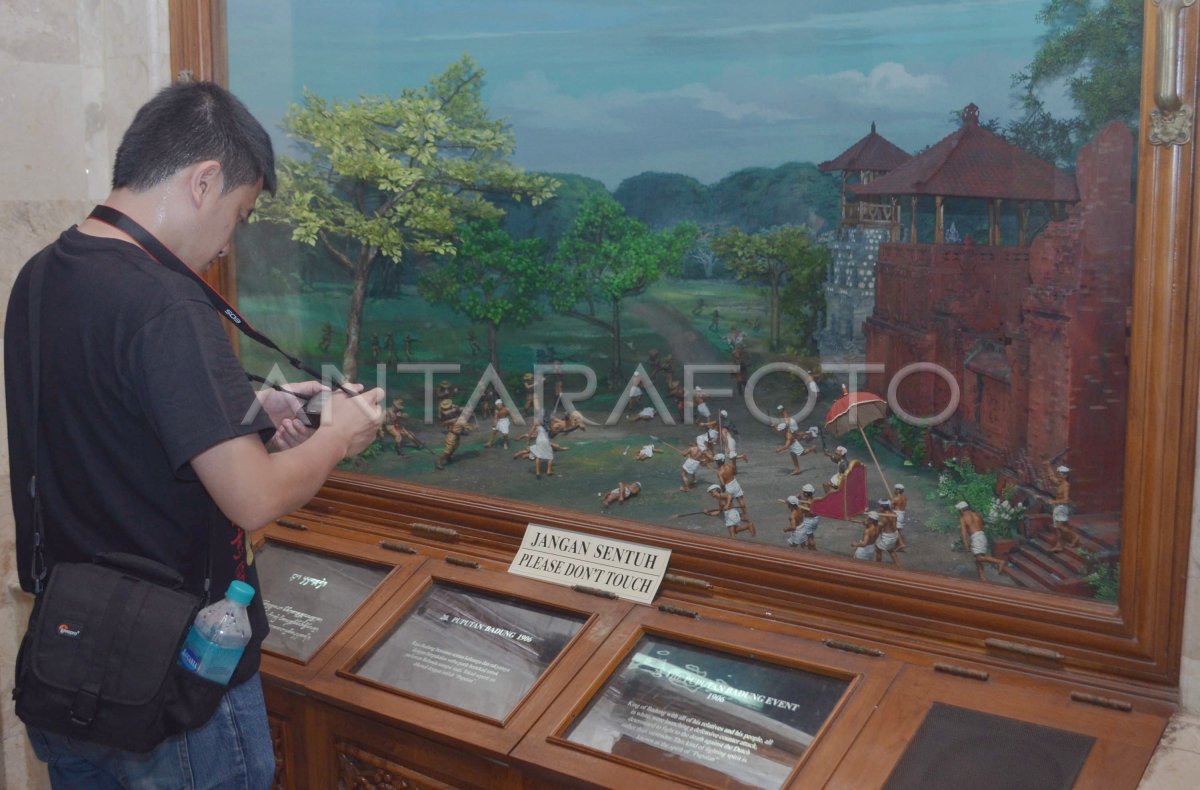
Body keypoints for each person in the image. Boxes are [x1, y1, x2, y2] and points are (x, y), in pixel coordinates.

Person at [4, 81, 385, 789]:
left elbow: (112, 427)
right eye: (239, 214)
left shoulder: (43, 275)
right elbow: (252, 500)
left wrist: (246, 410)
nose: (226, 243)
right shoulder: (167, 302)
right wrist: (338, 435)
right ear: (203, 181)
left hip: (72, 663)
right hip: (176, 689)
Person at [957, 501, 1009, 581]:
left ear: (961, 510)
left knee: (979, 558)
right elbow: (982, 524)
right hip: (982, 536)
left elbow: (964, 534)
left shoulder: (963, 518)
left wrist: (966, 545)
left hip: (976, 538)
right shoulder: (977, 514)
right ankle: (982, 577)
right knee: (978, 559)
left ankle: (999, 562)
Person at [1045, 462, 1079, 552]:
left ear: (1065, 475)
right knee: (1057, 528)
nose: (1059, 476)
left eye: (1061, 474)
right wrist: (1048, 466)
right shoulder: (1060, 483)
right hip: (1057, 508)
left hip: (1062, 508)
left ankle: (1075, 537)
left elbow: (1066, 500)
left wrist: (1053, 501)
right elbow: (1052, 477)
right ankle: (1059, 545)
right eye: (1059, 474)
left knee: (1060, 527)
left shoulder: (1065, 485)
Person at [783, 486, 819, 550]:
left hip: (798, 530)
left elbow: (793, 527)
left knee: (791, 547)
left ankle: (814, 552)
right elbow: (800, 504)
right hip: (803, 527)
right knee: (803, 545)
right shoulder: (800, 508)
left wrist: (786, 529)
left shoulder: (792, 516)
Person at [875, 501, 901, 565]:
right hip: (894, 535)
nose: (879, 507)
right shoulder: (894, 513)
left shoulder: (884, 518)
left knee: (878, 550)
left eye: (880, 506)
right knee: (891, 550)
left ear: (883, 507)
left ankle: (878, 565)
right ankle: (899, 566)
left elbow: (878, 530)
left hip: (887, 537)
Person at [891, 483, 909, 550]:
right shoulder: (904, 498)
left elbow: (888, 506)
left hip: (897, 515)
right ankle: (898, 543)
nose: (894, 491)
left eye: (895, 489)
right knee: (897, 530)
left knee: (895, 530)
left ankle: (901, 544)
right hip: (902, 514)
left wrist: (892, 502)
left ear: (898, 490)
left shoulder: (895, 499)